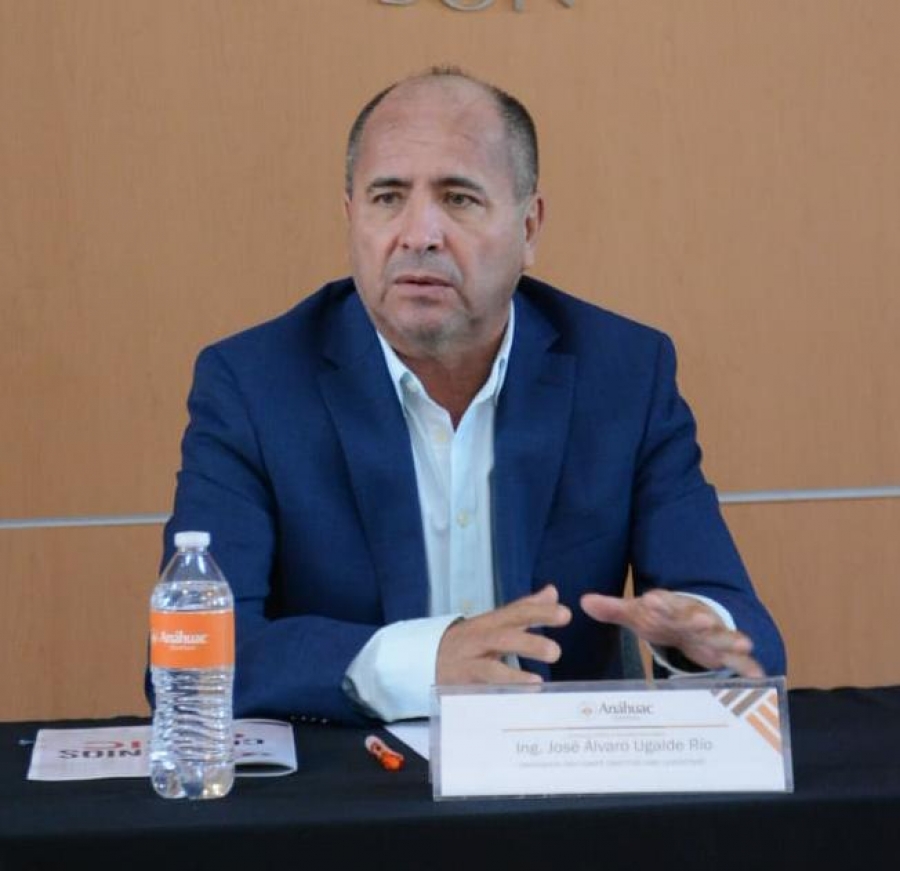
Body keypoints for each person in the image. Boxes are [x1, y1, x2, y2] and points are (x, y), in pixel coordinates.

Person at [154, 66, 785, 725]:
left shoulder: (623, 374)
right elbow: (194, 658)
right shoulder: (254, 385)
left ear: (529, 228)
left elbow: (743, 632)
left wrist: (695, 635)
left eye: (458, 199)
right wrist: (423, 660)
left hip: (558, 773)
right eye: (387, 198)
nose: (418, 234)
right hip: (354, 776)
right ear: (351, 218)